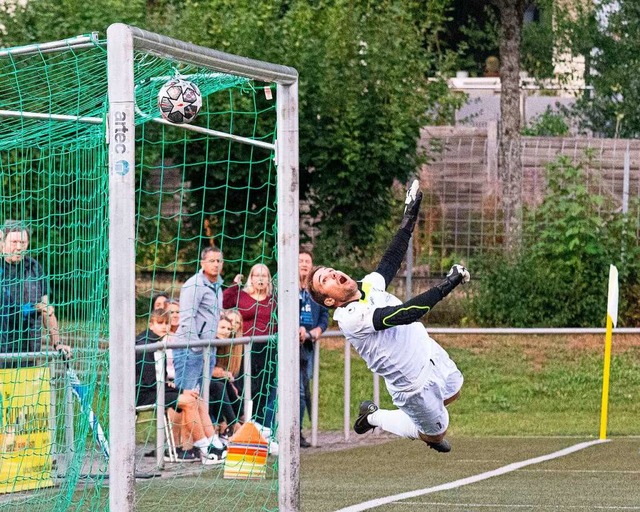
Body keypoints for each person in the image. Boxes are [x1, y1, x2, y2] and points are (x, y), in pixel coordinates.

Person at [307, 181, 470, 453]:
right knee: (435, 435)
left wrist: (409, 216)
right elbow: (405, 314)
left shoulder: (366, 285)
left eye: (331, 270)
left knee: (454, 392)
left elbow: (392, 258)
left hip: (428, 351)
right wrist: (448, 284)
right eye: (325, 279)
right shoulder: (350, 317)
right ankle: (372, 416)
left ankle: (423, 422)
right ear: (329, 300)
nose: (334, 273)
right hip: (413, 384)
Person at [135, 308, 225, 464]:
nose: (164, 327)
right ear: (151, 324)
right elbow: (149, 382)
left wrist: (175, 386)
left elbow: (157, 379)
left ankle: (214, 444)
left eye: (166, 323)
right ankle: (204, 449)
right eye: (160, 323)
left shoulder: (160, 341)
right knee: (189, 401)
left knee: (195, 397)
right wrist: (174, 388)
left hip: (156, 389)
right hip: (143, 394)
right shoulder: (144, 345)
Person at [0, 220, 70, 368]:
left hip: (29, 354)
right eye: (14, 242)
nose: (19, 247)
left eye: (23, 242)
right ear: (2, 243)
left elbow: (46, 309)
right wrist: (34, 307)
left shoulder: (34, 268)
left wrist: (57, 344)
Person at [223, 263, 278, 431]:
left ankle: (260, 428)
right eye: (257, 275)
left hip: (267, 348)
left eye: (264, 275)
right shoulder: (242, 295)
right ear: (251, 278)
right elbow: (225, 302)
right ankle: (242, 424)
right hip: (245, 348)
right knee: (243, 387)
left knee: (264, 388)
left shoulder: (273, 300)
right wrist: (234, 285)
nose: (260, 279)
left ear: (269, 280)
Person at [173, 246, 224, 392]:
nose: (215, 264)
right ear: (202, 263)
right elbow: (187, 318)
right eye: (212, 260)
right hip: (190, 349)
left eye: (219, 261)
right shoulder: (194, 284)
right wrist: (196, 347)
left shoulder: (218, 287)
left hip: (208, 348)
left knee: (202, 394)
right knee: (186, 396)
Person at [298, 250, 329, 448]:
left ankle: (298, 429)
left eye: (307, 261)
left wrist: (318, 330)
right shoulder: (287, 288)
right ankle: (294, 432)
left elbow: (325, 315)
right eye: (300, 261)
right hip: (289, 346)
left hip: (308, 346)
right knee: (298, 390)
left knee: (304, 387)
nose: (303, 264)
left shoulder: (316, 290)